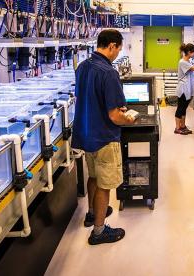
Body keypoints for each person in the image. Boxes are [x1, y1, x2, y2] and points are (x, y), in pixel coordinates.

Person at [72, 29, 136, 245]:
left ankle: (91, 214)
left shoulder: (82, 67)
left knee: (93, 176)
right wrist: (128, 118)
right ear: (111, 46)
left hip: (86, 134)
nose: (118, 53)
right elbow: (114, 115)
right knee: (105, 184)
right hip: (104, 137)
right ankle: (99, 232)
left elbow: (87, 98)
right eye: (118, 48)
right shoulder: (108, 72)